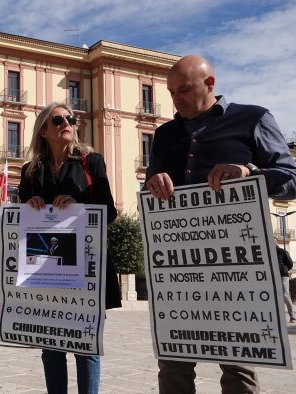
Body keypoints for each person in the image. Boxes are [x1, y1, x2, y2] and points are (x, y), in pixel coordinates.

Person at [145, 54, 296, 394]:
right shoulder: (164, 135)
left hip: (235, 267)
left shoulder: (253, 118)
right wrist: (154, 181)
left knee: (238, 369)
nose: (176, 99)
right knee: (172, 367)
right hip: (177, 267)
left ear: (210, 84)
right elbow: (151, 183)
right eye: (171, 93)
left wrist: (250, 173)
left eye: (183, 90)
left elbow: (291, 177)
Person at [18, 102, 122, 394]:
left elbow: (109, 212)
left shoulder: (92, 162)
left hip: (87, 267)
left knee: (85, 346)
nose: (67, 122)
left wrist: (81, 208)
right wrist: (28, 205)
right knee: (50, 348)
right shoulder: (30, 171)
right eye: (58, 120)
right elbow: (20, 220)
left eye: (70, 118)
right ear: (43, 131)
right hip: (45, 270)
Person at [276, 245, 296, 323]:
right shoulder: (268, 253)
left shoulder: (283, 252)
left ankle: (292, 316)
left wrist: (284, 269)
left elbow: (290, 263)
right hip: (273, 276)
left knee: (285, 295)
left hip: (283, 275)